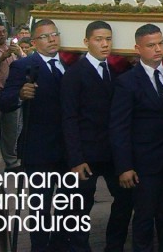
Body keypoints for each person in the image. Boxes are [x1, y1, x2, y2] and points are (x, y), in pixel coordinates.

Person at [110, 23, 163, 252]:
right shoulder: (127, 82)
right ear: (138, 48)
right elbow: (119, 127)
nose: (157, 49)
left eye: (160, 43)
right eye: (150, 45)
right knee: (144, 215)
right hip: (144, 161)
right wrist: (124, 166)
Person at [61, 20, 134, 252]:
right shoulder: (75, 74)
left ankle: (114, 246)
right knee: (80, 206)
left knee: (125, 200)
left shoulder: (116, 72)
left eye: (108, 39)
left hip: (113, 152)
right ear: (86, 42)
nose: (104, 44)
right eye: (98, 39)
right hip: (86, 153)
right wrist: (76, 159)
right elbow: (69, 118)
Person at [0, 19, 69, 251]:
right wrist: (20, 94)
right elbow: (5, 102)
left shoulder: (70, 64)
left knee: (68, 204)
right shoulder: (25, 66)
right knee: (41, 205)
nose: (52, 39)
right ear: (35, 41)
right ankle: (39, 246)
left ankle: (59, 243)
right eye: (45, 36)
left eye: (55, 34)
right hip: (38, 148)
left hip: (69, 148)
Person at [0, 20, 25, 171]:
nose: (2, 35)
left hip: (11, 93)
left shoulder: (12, 48)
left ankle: (11, 162)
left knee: (11, 130)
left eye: (4, 31)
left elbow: (23, 65)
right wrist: (2, 57)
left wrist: (19, 54)